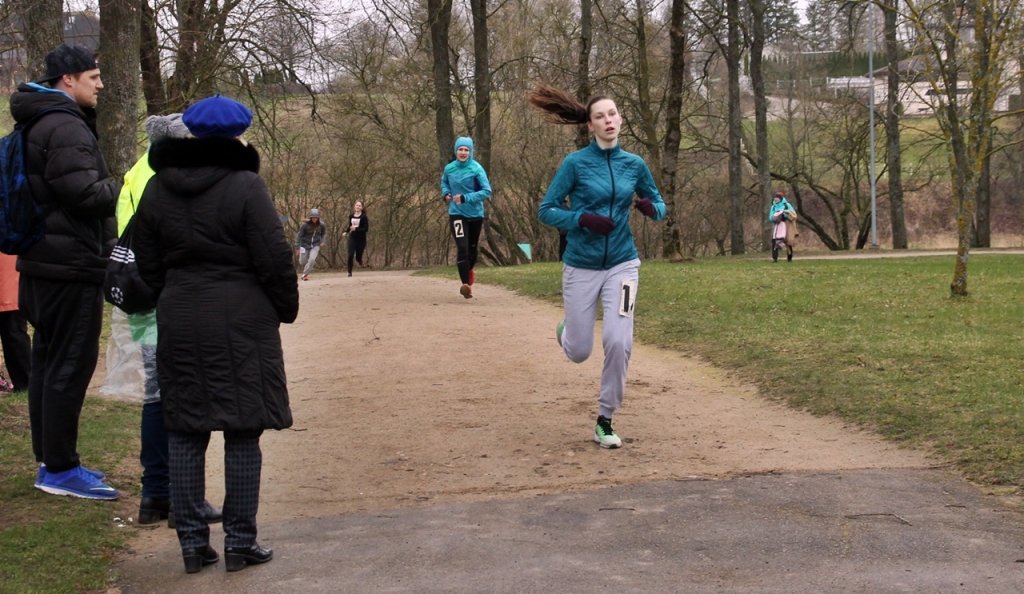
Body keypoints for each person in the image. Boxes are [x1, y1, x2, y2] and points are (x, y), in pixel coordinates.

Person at [132, 95, 299, 574]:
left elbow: (147, 259)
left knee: (185, 428)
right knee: (243, 430)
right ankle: (240, 542)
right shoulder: (246, 186)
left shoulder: (158, 187)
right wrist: (284, 307)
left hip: (181, 314)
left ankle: (191, 544)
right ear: (238, 135)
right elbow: (273, 256)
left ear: (191, 133)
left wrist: (171, 294)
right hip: (242, 317)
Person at [529, 83, 666, 449]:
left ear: (620, 119)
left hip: (623, 264)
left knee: (619, 341)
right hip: (581, 265)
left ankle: (605, 418)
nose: (609, 120)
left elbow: (658, 203)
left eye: (613, 114)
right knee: (579, 352)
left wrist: (652, 208)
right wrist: (582, 219)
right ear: (590, 125)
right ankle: (567, 332)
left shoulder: (634, 164)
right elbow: (546, 210)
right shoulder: (575, 164)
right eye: (600, 116)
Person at [10, 44, 121, 498]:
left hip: (41, 263)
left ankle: (52, 461)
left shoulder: (36, 119)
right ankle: (59, 469)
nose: (100, 85)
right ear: (67, 80)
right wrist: (123, 185)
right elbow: (85, 195)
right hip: (68, 265)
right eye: (93, 77)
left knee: (47, 363)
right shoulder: (64, 124)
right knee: (68, 366)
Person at [115, 113, 222, 528]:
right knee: (184, 396)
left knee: (156, 395)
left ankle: (155, 493)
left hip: (140, 294)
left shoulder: (135, 172)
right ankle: (184, 497)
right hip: (172, 295)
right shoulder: (169, 174)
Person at [441, 137, 492, 298]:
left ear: (470, 152)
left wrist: (465, 198)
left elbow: (486, 191)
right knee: (462, 247)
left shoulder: (476, 169)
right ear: (455, 151)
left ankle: (469, 271)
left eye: (466, 150)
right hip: (456, 213)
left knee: (472, 249)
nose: (463, 153)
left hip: (475, 214)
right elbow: (444, 182)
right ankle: (465, 285)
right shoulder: (449, 168)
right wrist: (446, 193)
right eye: (460, 149)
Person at [0, 253, 31, 393]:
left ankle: (25, 383)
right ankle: (25, 383)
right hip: (10, 282)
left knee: (14, 334)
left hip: (9, 282)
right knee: (14, 334)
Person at [294, 209, 326, 281]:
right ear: (310, 217)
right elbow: (299, 235)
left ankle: (305, 274)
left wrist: (323, 241)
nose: (314, 219)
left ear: (318, 218)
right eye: (313, 217)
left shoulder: (321, 225)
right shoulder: (305, 225)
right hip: (304, 245)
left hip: (315, 244)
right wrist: (297, 246)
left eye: (316, 217)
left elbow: (323, 234)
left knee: (312, 259)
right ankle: (309, 266)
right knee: (302, 261)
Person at [341, 200, 369, 277]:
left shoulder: (364, 217)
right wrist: (346, 232)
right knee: (350, 254)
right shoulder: (351, 216)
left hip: (361, 239)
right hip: (353, 238)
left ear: (362, 207)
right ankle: (349, 272)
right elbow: (350, 226)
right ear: (354, 206)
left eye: (359, 206)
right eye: (357, 205)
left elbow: (366, 229)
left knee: (358, 257)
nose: (358, 207)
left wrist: (356, 229)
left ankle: (360, 260)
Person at [769, 191, 795, 263]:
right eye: (775, 198)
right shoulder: (773, 207)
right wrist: (775, 217)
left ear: (780, 198)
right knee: (774, 241)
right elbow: (770, 217)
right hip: (776, 226)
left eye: (777, 198)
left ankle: (789, 258)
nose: (775, 199)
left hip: (786, 224)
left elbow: (793, 214)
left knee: (788, 241)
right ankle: (774, 258)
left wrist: (784, 215)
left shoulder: (787, 205)